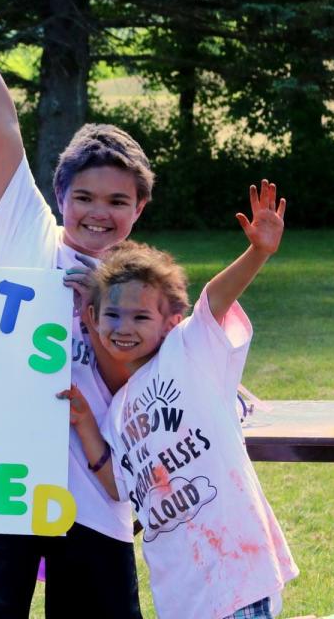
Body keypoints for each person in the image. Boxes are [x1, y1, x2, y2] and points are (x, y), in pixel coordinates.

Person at [0, 0, 147, 618]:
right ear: (58, 195)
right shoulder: (23, 232)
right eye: (84, 195)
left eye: (118, 201)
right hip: (2, 486)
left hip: (96, 494)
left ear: (138, 209)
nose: (98, 211)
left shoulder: (145, 285)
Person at [67, 180, 299, 619]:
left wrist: (258, 252)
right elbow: (119, 486)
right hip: (182, 592)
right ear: (93, 319)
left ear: (172, 321)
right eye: (113, 315)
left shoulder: (189, 351)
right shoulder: (118, 410)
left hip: (236, 570)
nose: (124, 327)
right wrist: (84, 424)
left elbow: (215, 298)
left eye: (140, 316)